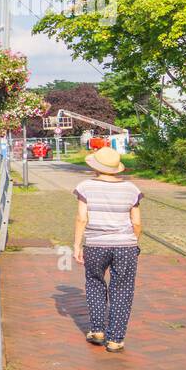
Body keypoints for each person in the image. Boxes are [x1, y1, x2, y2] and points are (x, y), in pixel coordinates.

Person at [72, 146, 142, 352]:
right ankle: (115, 339)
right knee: (122, 289)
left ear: (95, 167)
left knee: (94, 283)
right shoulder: (132, 189)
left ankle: (97, 330)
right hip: (125, 246)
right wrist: (133, 242)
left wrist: (77, 245)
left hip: (95, 244)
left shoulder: (85, 187)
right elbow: (136, 222)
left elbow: (81, 218)